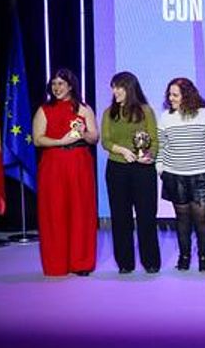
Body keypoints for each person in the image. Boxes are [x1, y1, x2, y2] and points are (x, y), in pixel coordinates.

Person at [33, 68, 98, 276]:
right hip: (53, 164)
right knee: (55, 212)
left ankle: (81, 263)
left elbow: (94, 138)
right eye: (54, 84)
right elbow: (37, 139)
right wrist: (60, 141)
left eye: (61, 83)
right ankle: (56, 263)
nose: (57, 88)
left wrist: (83, 132)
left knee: (81, 211)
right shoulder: (44, 109)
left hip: (79, 163)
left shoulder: (84, 109)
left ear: (70, 86)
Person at [157, 77, 205, 272]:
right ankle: (184, 256)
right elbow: (163, 145)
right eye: (169, 94)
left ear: (187, 95)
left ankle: (204, 257)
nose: (171, 98)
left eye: (175, 94)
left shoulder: (204, 115)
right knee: (182, 219)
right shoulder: (166, 117)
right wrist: (160, 167)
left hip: (202, 175)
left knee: (202, 219)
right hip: (175, 175)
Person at [100, 71, 160, 274]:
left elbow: (154, 139)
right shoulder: (109, 113)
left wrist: (148, 156)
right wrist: (123, 150)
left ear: (130, 88)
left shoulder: (146, 111)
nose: (114, 91)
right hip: (117, 169)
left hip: (143, 170)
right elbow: (106, 141)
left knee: (146, 216)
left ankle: (150, 261)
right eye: (113, 87)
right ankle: (125, 263)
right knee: (120, 217)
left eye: (119, 87)